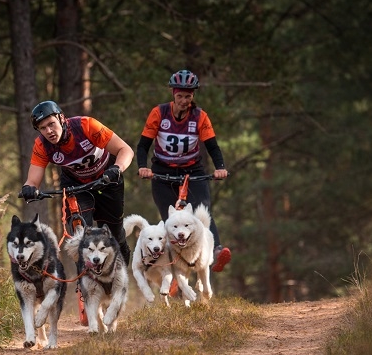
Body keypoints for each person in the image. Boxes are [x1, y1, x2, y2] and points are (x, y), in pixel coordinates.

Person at [136, 69, 231, 272]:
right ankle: (171, 265)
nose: (184, 101)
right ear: (173, 94)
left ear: (193, 96)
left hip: (192, 170)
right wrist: (143, 167)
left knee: (201, 210)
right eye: (180, 96)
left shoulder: (199, 116)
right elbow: (143, 145)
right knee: (169, 219)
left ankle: (216, 251)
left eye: (188, 96)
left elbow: (212, 146)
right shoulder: (159, 113)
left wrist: (220, 168)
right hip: (162, 170)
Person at [21, 100, 133, 265]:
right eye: (43, 128)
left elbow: (125, 150)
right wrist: (29, 189)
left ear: (61, 118)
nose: (49, 131)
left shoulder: (86, 126)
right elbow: (32, 180)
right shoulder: (42, 145)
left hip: (107, 178)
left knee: (113, 231)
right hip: (76, 185)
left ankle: (119, 256)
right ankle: (86, 276)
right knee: (81, 232)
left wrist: (117, 168)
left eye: (51, 124)